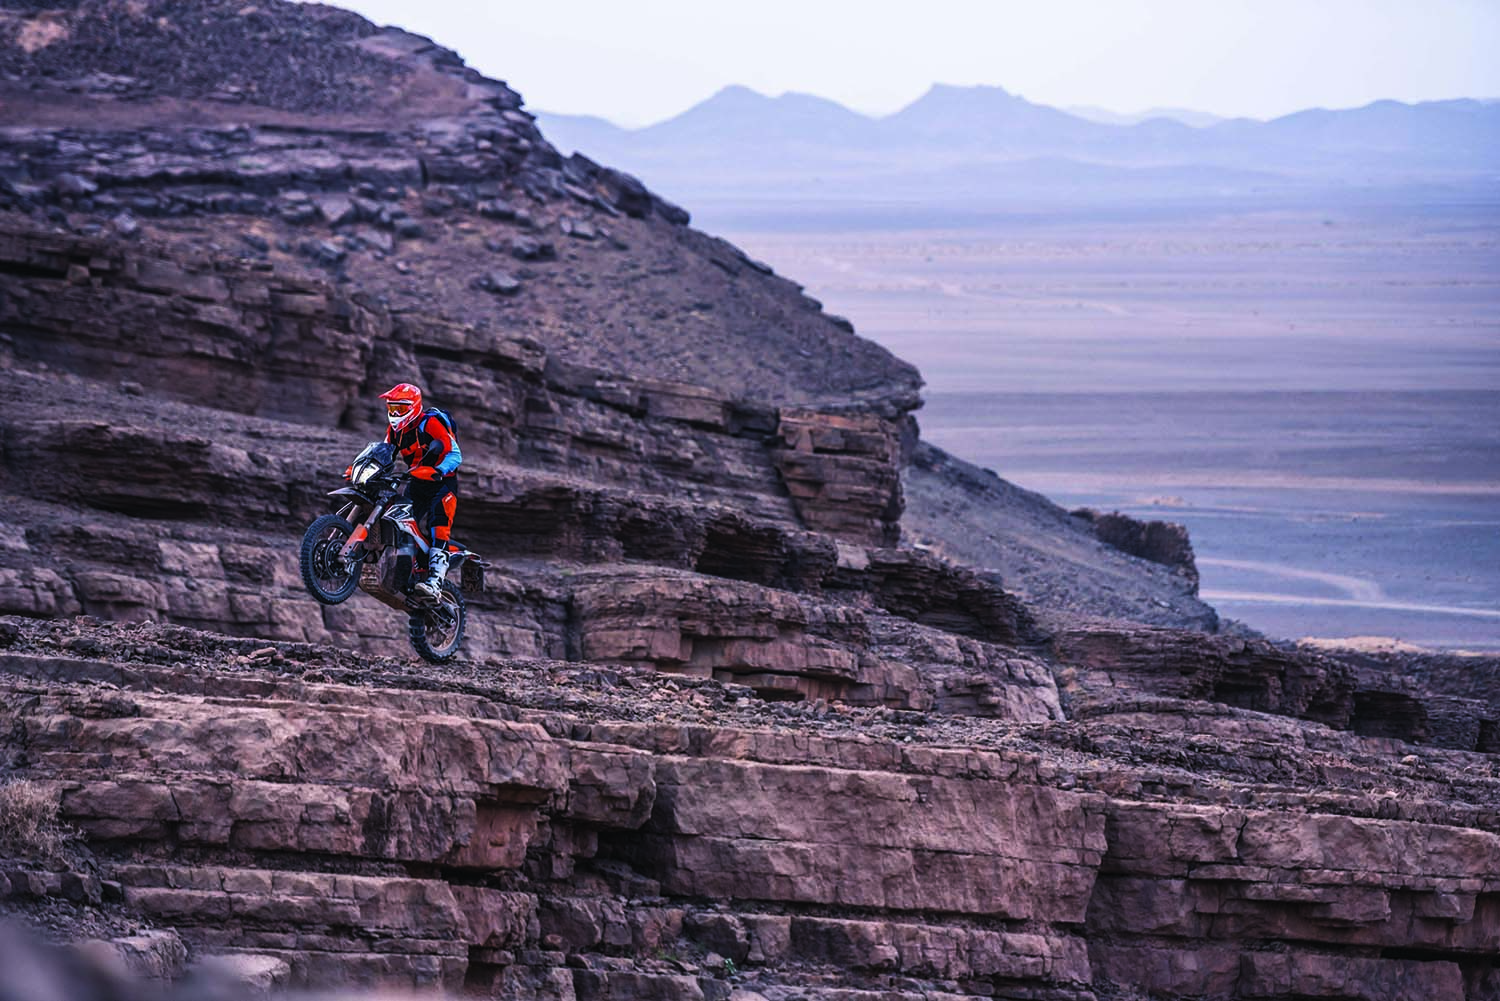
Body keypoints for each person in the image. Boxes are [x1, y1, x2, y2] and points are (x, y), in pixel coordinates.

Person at [379, 383, 462, 599]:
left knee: (438, 527)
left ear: (413, 406)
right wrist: (366, 467)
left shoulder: (430, 423)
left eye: (399, 409)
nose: (394, 414)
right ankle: (408, 571)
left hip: (441, 483)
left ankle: (435, 582)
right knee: (402, 524)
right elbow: (383, 452)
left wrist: (439, 470)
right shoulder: (394, 431)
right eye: (391, 409)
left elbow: (455, 454)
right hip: (417, 481)